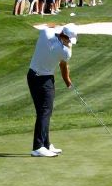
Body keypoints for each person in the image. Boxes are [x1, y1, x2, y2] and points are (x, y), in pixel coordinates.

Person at [27, 22, 77, 157]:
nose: (70, 42)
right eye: (70, 40)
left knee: (43, 112)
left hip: (32, 76)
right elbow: (63, 66)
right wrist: (67, 81)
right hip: (44, 80)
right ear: (66, 37)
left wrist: (57, 26)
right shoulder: (65, 51)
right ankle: (38, 147)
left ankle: (46, 144)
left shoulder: (45, 34)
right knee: (45, 111)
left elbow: (48, 26)